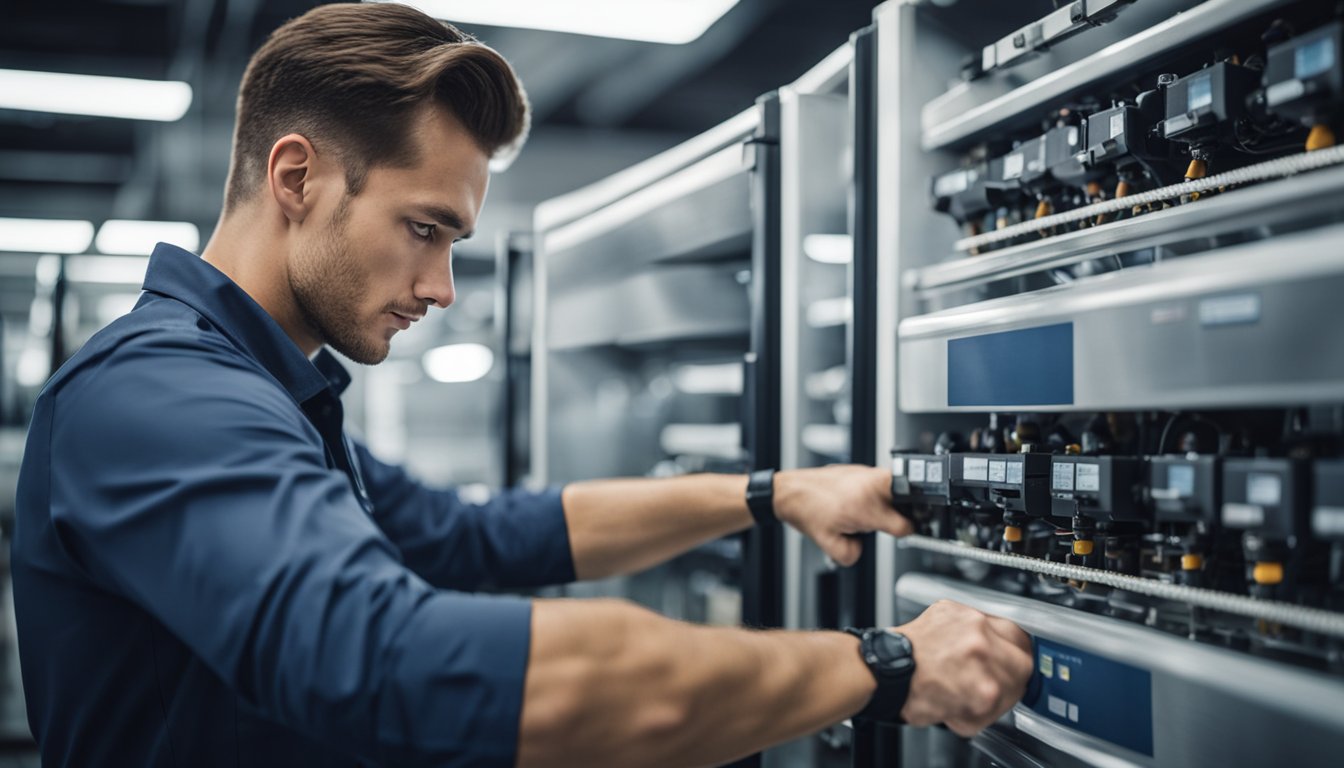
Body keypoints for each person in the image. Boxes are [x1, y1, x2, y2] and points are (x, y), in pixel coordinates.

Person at [11, 3, 1033, 766]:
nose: (444, 288)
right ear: (296, 179)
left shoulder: (271, 398)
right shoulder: (159, 398)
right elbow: (397, 661)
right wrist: (883, 670)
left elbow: (483, 536)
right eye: (425, 228)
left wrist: (772, 494)